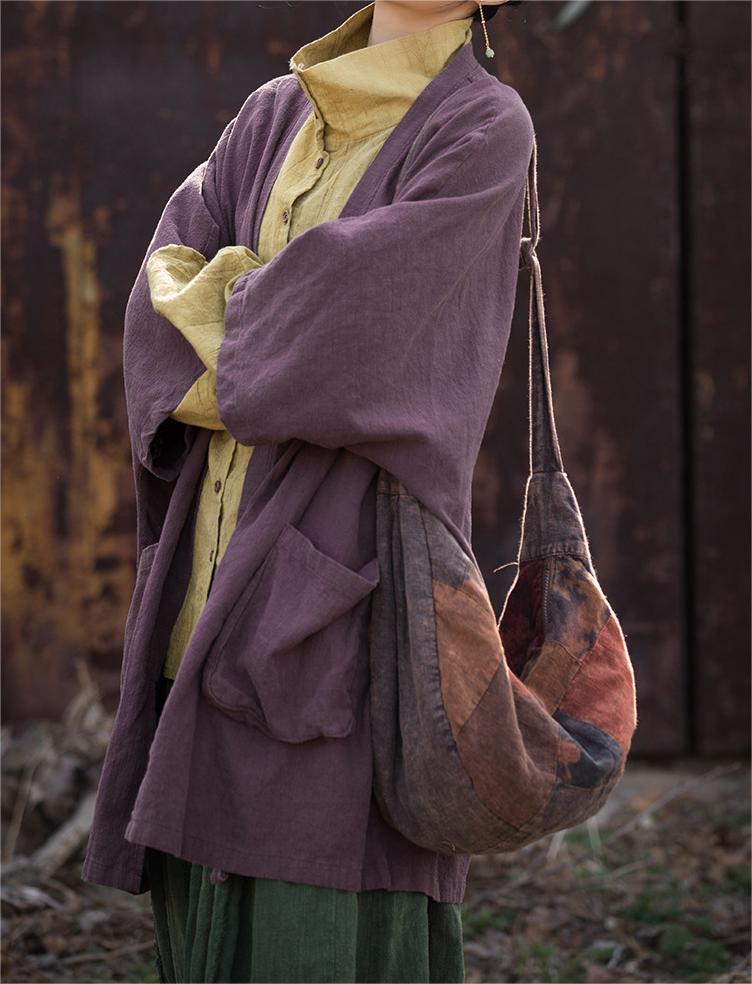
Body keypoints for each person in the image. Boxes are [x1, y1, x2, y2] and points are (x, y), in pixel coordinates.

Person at [82, 1, 531, 981]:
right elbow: (154, 310)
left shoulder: (481, 127)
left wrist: (236, 310)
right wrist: (272, 321)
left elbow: (340, 340)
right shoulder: (270, 112)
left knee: (319, 903)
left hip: (348, 594)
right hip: (204, 584)